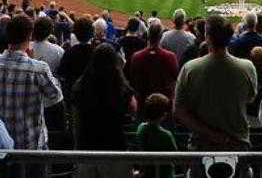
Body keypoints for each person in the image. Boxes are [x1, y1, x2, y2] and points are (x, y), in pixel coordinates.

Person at [0, 15, 63, 154]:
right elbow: (56, 96)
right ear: (30, 35)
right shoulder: (38, 69)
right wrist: (33, 62)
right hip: (31, 147)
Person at [174, 15, 257, 153]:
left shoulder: (190, 68)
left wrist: (214, 135)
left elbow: (179, 112)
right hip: (238, 144)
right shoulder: (247, 67)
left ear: (207, 36)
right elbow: (250, 98)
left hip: (201, 146)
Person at [72, 43, 136, 178]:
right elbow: (134, 109)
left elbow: (76, 120)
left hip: (86, 148)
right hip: (115, 147)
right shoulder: (120, 85)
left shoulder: (81, 85)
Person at [129, 22, 179, 114]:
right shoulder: (170, 56)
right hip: (164, 106)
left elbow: (133, 79)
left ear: (148, 35)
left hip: (143, 104)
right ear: (161, 36)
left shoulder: (136, 56)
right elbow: (176, 78)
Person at [136, 93, 178, 178]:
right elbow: (176, 156)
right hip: (165, 175)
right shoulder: (166, 135)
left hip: (146, 174)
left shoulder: (140, 128)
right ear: (163, 114)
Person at [57, 17, 95, 104]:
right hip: (93, 96)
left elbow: (61, 73)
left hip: (74, 96)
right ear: (93, 33)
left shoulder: (69, 52)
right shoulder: (97, 52)